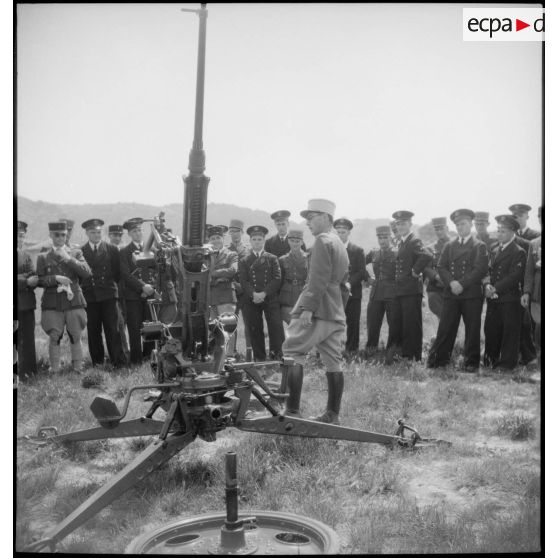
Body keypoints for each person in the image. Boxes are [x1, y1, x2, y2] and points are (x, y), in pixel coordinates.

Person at [281, 199, 349, 424]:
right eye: (307, 218)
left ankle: (291, 412)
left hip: (317, 308)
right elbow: (342, 283)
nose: (307, 222)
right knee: (333, 361)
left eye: (312, 217)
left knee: (293, 353)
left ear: (326, 218)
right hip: (335, 310)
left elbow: (317, 279)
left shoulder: (321, 241)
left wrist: (308, 309)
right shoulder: (338, 242)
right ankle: (332, 414)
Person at [427, 209, 488, 371]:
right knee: (446, 327)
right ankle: (438, 361)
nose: (460, 227)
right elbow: (441, 266)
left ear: (470, 224)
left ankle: (471, 363)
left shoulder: (479, 245)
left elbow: (480, 269)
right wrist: (452, 282)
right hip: (452, 293)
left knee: (472, 329)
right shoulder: (449, 245)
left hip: (471, 294)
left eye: (463, 224)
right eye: (457, 224)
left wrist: (461, 283)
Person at [36, 221, 91, 372]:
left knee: (75, 334)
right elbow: (39, 280)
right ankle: (55, 368)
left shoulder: (75, 252)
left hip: (73, 301)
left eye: (64, 235)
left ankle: (78, 367)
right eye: (57, 235)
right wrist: (55, 279)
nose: (61, 238)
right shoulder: (43, 256)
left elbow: (86, 273)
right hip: (52, 302)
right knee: (54, 336)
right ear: (51, 235)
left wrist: (68, 258)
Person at [81, 219, 127, 368]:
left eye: (99, 232)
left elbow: (117, 273)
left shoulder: (112, 249)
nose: (96, 235)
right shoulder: (81, 251)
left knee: (113, 330)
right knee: (93, 331)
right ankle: (98, 364)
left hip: (108, 295)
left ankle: (118, 362)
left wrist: (109, 285)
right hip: (90, 297)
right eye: (93, 232)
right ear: (87, 233)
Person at [483, 214, 527, 371]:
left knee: (510, 333)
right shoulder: (494, 249)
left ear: (512, 232)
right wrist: (487, 284)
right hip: (493, 298)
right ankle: (490, 361)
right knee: (491, 330)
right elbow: (487, 270)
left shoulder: (518, 251)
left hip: (509, 299)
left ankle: (507, 364)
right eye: (498, 230)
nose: (498, 234)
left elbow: (515, 276)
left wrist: (496, 288)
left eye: (502, 231)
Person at [391, 210, 433, 361]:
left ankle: (413, 356)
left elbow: (427, 255)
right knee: (403, 323)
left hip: (411, 290)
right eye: (398, 224)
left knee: (412, 325)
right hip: (402, 289)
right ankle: (405, 354)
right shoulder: (402, 241)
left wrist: (415, 271)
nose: (400, 226)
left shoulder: (414, 240)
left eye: (403, 223)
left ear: (410, 224)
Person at [239, 225, 284, 361]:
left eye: (259, 239)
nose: (257, 242)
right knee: (254, 328)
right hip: (252, 299)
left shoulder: (272, 258)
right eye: (254, 239)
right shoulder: (244, 260)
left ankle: (277, 356)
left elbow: (277, 278)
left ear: (264, 240)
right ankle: (259, 358)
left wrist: (264, 293)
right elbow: (243, 281)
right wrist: (254, 294)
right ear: (250, 241)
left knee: (276, 327)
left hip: (269, 297)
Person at [120, 218, 156, 365]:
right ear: (129, 234)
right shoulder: (124, 252)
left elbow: (156, 272)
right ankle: (136, 360)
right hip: (132, 296)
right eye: (134, 231)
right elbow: (125, 275)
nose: (138, 233)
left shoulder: (152, 250)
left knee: (151, 327)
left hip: (150, 296)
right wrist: (142, 287)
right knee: (134, 329)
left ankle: (149, 358)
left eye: (140, 230)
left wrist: (150, 287)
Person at [334, 218, 366, 354]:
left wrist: (349, 283)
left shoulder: (357, 250)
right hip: (335, 292)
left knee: (353, 322)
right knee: (333, 322)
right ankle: (333, 349)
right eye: (338, 232)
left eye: (343, 232)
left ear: (349, 233)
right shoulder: (331, 249)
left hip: (353, 292)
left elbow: (361, 271)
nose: (341, 235)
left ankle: (352, 349)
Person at [365, 225, 397, 356]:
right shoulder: (373, 252)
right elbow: (359, 264)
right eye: (380, 238)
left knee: (394, 324)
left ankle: (392, 350)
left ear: (390, 237)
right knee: (372, 323)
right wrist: (367, 278)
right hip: (376, 293)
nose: (382, 241)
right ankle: (371, 350)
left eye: (385, 237)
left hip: (392, 293)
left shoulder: (397, 252)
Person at [17, 220, 38, 377]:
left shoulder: (26, 255)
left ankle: (29, 372)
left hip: (27, 304)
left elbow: (34, 275)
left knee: (28, 339)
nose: (19, 238)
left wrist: (27, 278)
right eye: (16, 235)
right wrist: (25, 280)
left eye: (21, 235)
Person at [521, 206, 542, 363]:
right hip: (537, 291)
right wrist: (527, 292)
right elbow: (528, 271)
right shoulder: (534, 243)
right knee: (539, 324)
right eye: (541, 216)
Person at [108, 224, 130, 363]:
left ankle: (128, 352)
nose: (117, 238)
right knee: (118, 324)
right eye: (114, 235)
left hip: (126, 292)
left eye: (119, 235)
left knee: (127, 324)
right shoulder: (107, 250)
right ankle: (123, 355)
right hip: (113, 292)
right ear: (109, 235)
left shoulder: (124, 250)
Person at [278, 227, 308, 324]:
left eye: (297, 241)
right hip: (287, 299)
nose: (295, 243)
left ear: (302, 242)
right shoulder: (282, 260)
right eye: (292, 241)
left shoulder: (308, 258)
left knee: (302, 330)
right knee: (289, 329)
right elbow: (279, 282)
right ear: (288, 241)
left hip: (302, 298)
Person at [423, 217, 450, 320]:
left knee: (451, 314)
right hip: (436, 286)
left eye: (441, 229)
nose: (439, 232)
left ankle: (446, 334)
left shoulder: (456, 245)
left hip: (452, 285)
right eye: (436, 229)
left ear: (447, 228)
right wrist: (436, 276)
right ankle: (443, 333)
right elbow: (426, 267)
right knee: (440, 312)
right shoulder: (430, 248)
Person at [208, 225, 238, 319]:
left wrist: (212, 273)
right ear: (209, 241)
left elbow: (232, 270)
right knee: (212, 330)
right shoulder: (205, 257)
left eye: (218, 238)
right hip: (210, 298)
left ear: (223, 239)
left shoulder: (231, 254)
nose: (215, 240)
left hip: (226, 296)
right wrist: (221, 275)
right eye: (212, 238)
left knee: (228, 328)